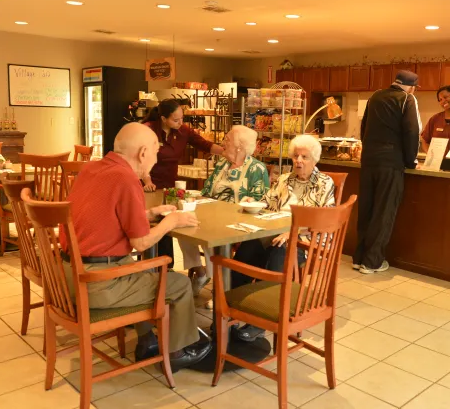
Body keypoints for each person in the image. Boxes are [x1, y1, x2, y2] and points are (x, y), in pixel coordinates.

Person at [59, 122, 211, 371]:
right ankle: (177, 352)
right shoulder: (127, 178)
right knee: (179, 283)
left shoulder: (92, 169)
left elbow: (108, 215)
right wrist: (171, 221)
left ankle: (148, 341)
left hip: (66, 276)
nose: (155, 161)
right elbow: (140, 243)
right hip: (95, 283)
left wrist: (149, 214)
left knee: (142, 272)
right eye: (154, 154)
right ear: (142, 153)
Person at [233, 134, 335, 341]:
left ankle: (261, 320)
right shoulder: (283, 180)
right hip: (274, 234)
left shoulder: (324, 183)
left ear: (314, 160)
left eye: (304, 157)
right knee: (250, 245)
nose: (298, 161)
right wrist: (251, 201)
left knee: (281, 249)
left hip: (305, 240)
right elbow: (266, 202)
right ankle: (235, 305)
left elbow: (323, 219)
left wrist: (293, 233)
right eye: (296, 156)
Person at [179, 125, 269, 295]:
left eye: (227, 139)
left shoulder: (256, 169)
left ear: (240, 146)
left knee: (208, 232)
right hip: (211, 214)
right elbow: (207, 191)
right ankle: (200, 270)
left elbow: (259, 202)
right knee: (181, 224)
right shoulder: (222, 163)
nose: (222, 142)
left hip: (236, 220)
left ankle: (219, 288)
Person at [141, 99, 225, 276]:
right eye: (176, 120)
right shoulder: (148, 130)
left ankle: (166, 267)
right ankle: (153, 268)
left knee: (169, 224)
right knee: (153, 224)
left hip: (170, 185)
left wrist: (227, 151)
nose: (180, 123)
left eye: (182, 119)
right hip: (149, 185)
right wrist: (147, 180)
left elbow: (204, 144)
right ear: (163, 118)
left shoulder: (183, 131)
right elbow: (140, 158)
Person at [353, 70, 421, 275]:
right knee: (384, 211)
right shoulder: (408, 99)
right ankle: (372, 262)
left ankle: (358, 258)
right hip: (391, 162)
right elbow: (412, 132)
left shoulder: (375, 96)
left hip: (369, 160)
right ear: (412, 86)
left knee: (366, 209)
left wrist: (369, 151)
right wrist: (411, 161)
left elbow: (364, 126)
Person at [421, 85, 450, 155]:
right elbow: (425, 140)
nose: (443, 101)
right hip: (437, 163)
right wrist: (429, 154)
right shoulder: (435, 119)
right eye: (440, 100)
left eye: (445, 97)